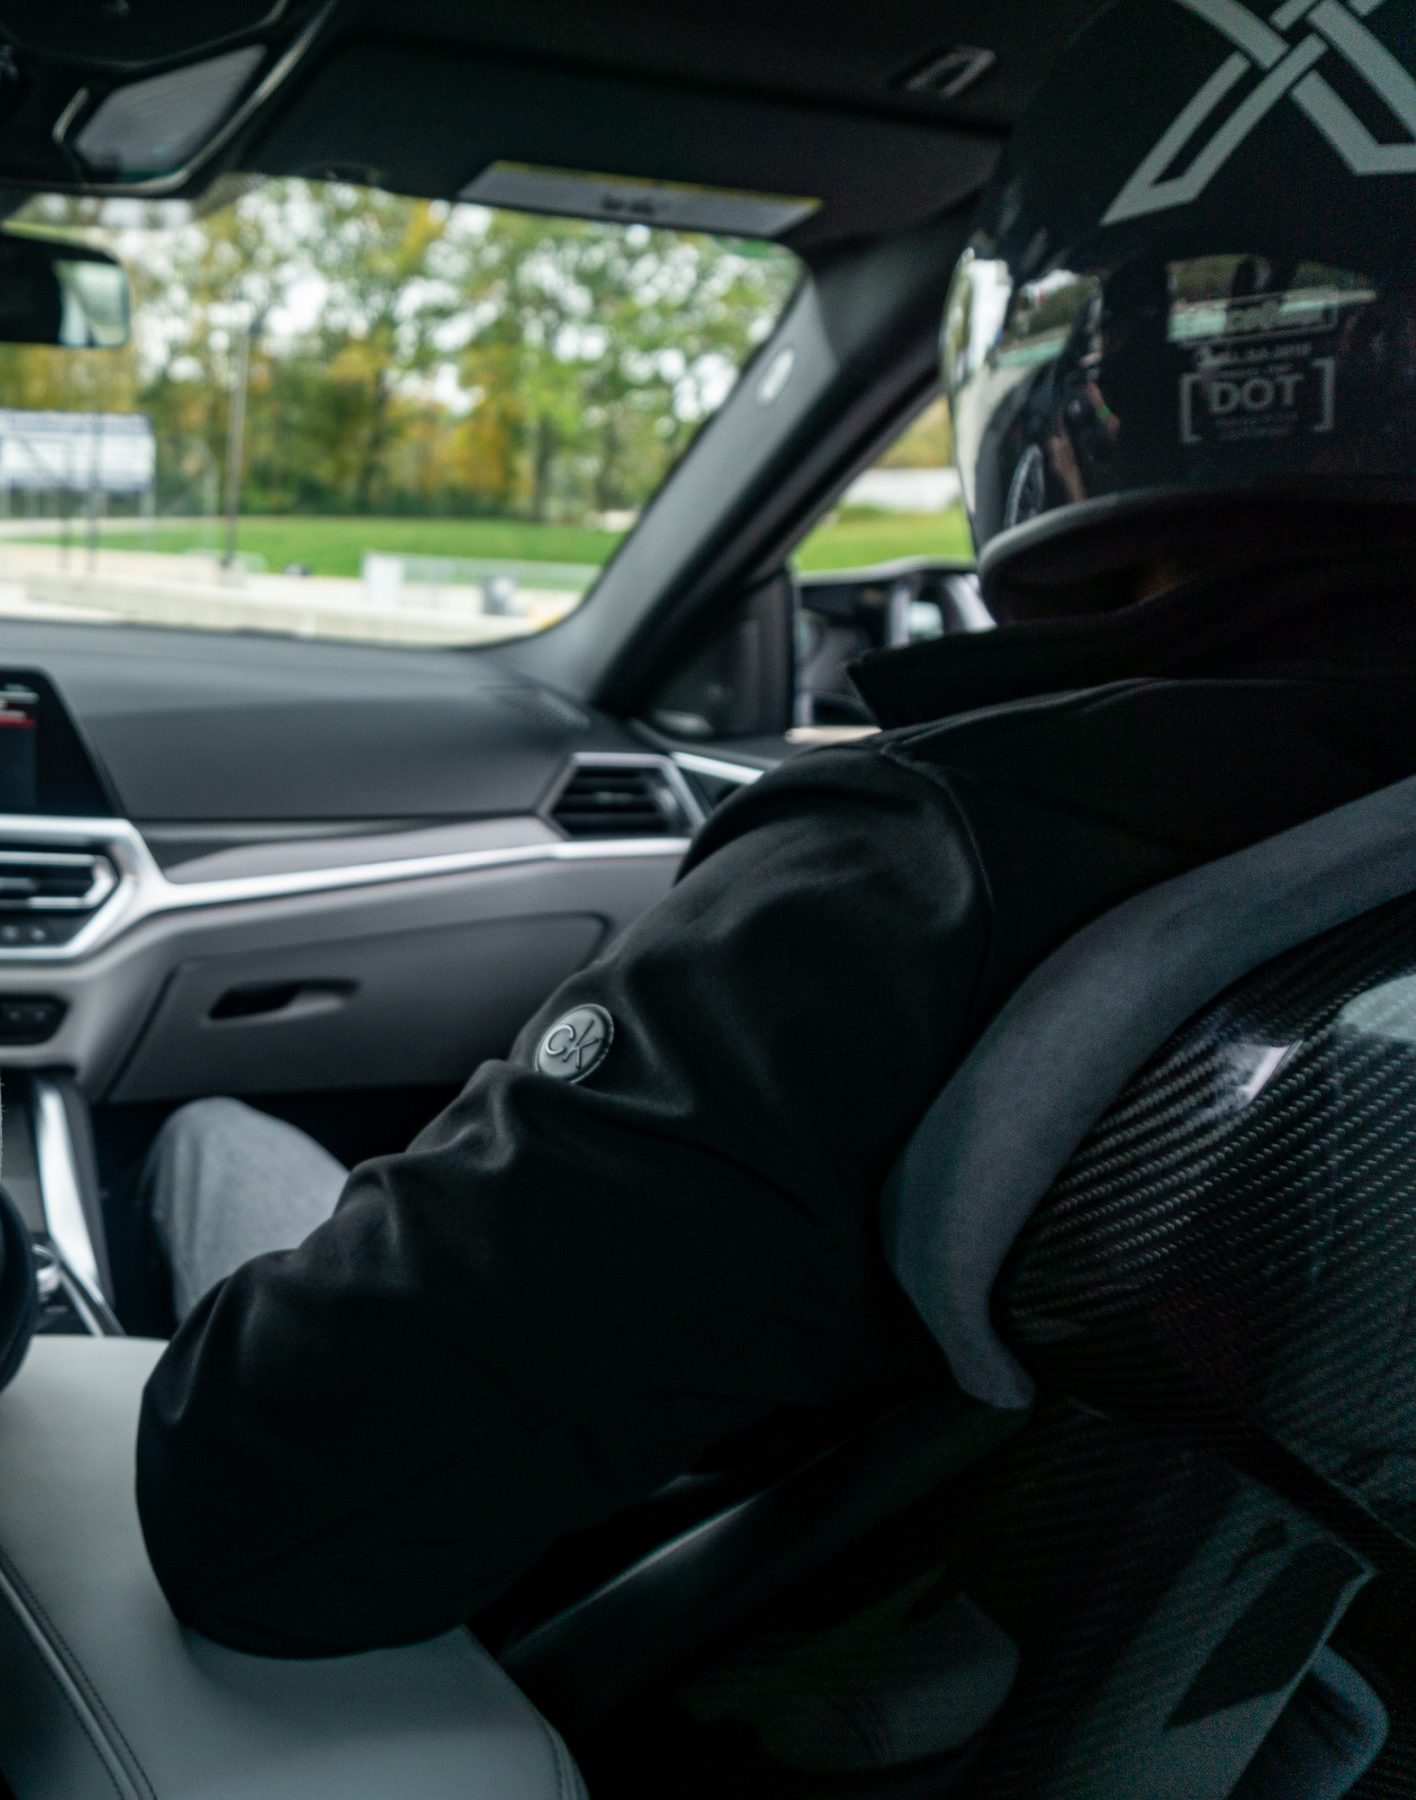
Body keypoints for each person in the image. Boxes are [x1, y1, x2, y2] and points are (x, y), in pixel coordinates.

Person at [110, 0, 1416, 1656]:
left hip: (737, 1699)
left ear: (1074, 371)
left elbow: (253, 1510)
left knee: (219, 1145)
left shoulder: (916, 877)